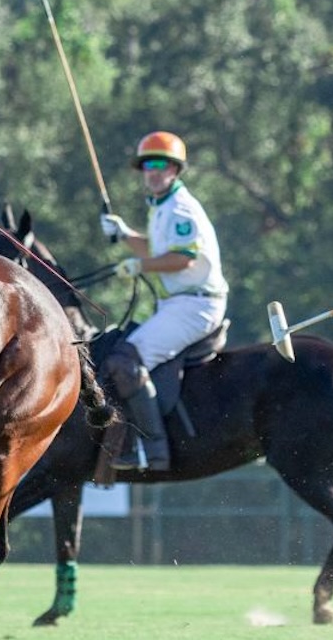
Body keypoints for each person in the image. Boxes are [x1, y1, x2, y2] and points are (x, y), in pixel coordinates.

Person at [99, 131, 229, 471]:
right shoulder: (161, 206)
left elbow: (182, 258)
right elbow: (158, 250)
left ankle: (150, 452)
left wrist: (140, 265)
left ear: (175, 170)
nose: (153, 171)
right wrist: (124, 235)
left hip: (197, 304)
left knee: (125, 360)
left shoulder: (181, 208)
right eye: (147, 165)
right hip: (176, 303)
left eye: (161, 165)